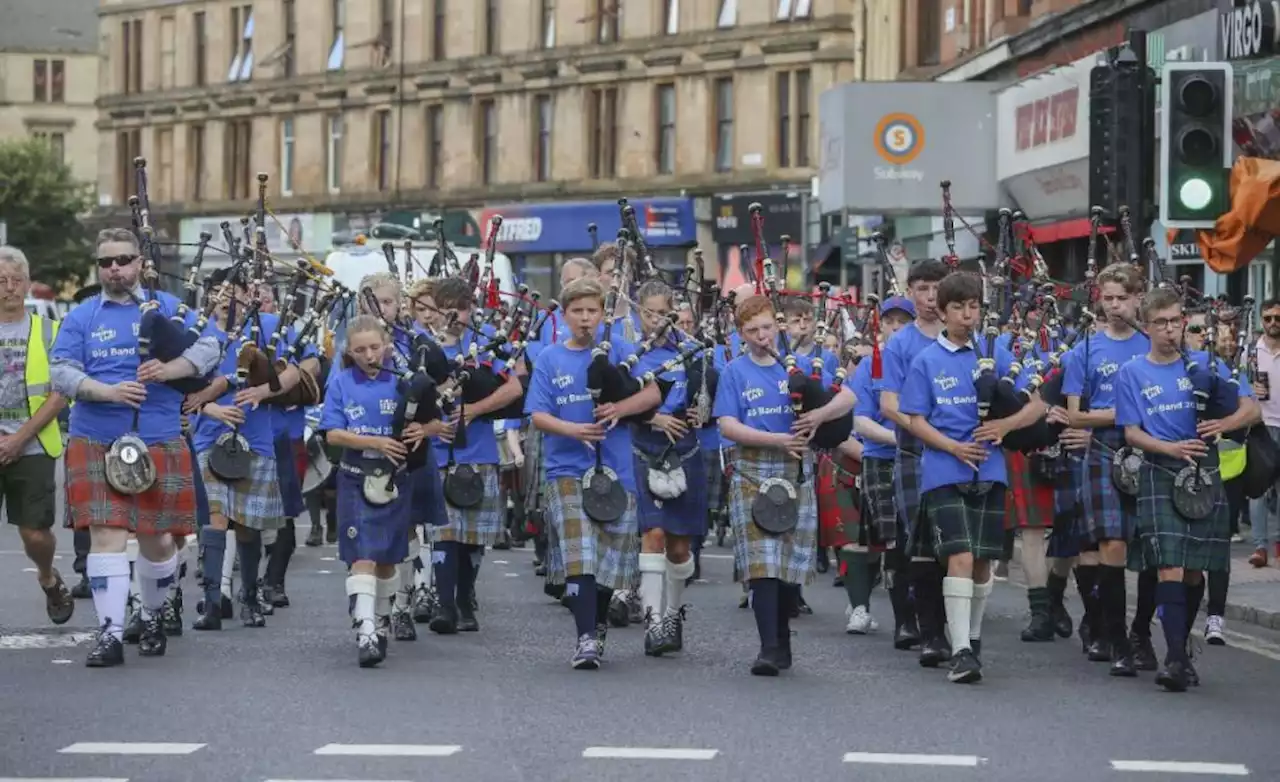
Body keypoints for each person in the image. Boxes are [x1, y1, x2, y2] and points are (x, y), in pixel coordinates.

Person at [51, 228, 221, 666]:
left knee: (158, 540)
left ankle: (151, 613)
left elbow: (211, 346)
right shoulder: (83, 315)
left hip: (159, 435)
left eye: (123, 260)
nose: (114, 269)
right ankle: (108, 634)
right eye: (106, 262)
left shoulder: (167, 308)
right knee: (106, 533)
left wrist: (170, 370)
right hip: (96, 437)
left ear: (140, 265)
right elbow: (62, 371)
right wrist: (106, 392)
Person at [899, 272, 1045, 684]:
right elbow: (915, 420)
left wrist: (1006, 426)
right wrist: (952, 447)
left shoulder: (995, 352)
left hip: (992, 470)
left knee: (983, 564)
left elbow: (1037, 403)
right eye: (959, 307)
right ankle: (960, 650)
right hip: (945, 471)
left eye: (974, 306)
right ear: (942, 312)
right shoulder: (926, 360)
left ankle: (973, 639)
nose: (968, 314)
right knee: (959, 556)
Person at [1113, 287, 1258, 691]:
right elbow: (1130, 433)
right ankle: (1175, 657)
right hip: (1160, 468)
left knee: (1195, 571)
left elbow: (1251, 408)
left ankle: (1179, 646)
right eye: (1160, 323)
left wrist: (1222, 426)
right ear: (1147, 326)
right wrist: (1170, 448)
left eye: (1176, 321)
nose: (1170, 330)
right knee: (1170, 566)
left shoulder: (1207, 365)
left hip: (1205, 471)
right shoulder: (1132, 373)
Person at [713, 294, 854, 676]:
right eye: (752, 331)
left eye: (767, 328)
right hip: (752, 469)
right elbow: (727, 425)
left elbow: (849, 397)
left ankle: (782, 638)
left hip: (795, 470)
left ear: (777, 326)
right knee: (761, 566)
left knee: (787, 564)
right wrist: (778, 440)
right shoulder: (734, 372)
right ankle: (769, 647)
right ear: (741, 335)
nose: (762, 336)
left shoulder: (803, 365)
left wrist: (818, 417)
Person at [525, 277, 660, 669]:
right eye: (577, 312)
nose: (585, 319)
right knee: (580, 557)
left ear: (603, 315)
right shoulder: (550, 358)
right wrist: (573, 429)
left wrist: (621, 409)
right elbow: (537, 413)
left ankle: (596, 626)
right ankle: (585, 637)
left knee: (606, 561)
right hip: (566, 470)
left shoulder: (620, 349)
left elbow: (653, 394)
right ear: (565, 316)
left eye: (592, 311)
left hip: (616, 470)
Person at [186, 268, 302, 631]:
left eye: (231, 291)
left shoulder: (267, 326)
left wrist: (266, 391)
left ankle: (250, 596)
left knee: (248, 525)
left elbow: (300, 368)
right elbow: (182, 389)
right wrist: (212, 408)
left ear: (246, 294)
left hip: (257, 439)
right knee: (217, 516)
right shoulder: (196, 332)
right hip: (209, 437)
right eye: (217, 292)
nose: (224, 299)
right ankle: (213, 598)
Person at [1056, 263, 1155, 675]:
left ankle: (1141, 633)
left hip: (1151, 448)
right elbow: (1075, 417)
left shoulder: (1154, 344)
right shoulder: (1084, 351)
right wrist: (1126, 414)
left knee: (1150, 550)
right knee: (1111, 543)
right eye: (1108, 299)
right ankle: (1116, 639)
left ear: (1138, 299)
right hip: (1102, 449)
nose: (1115, 306)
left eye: (1122, 298)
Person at [320, 315, 420, 667]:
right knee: (362, 554)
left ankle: (379, 619)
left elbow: (436, 419)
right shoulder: (342, 383)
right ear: (350, 351)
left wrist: (422, 432)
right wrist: (375, 441)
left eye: (375, 347)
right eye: (360, 350)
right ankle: (365, 630)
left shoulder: (405, 381)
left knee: (388, 561)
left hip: (395, 479)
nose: (369, 355)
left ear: (386, 345)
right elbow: (332, 433)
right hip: (354, 475)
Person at [427, 276, 523, 635]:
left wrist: (476, 409)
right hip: (437, 452)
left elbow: (513, 387)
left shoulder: (486, 344)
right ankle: (445, 604)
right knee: (445, 532)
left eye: (460, 309)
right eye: (446, 309)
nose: (453, 316)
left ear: (470, 310)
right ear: (435, 310)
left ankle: (466, 597)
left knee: (472, 537)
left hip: (479, 451)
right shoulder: (424, 347)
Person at [878, 259, 952, 667]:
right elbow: (889, 405)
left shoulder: (965, 336)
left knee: (955, 544)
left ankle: (959, 630)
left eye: (935, 288)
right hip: (915, 453)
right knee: (920, 543)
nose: (928, 297)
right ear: (911, 292)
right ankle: (930, 633)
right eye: (921, 289)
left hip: (958, 453)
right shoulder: (901, 343)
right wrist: (930, 430)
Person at [629, 280, 705, 656]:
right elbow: (619, 400)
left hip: (686, 451)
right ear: (638, 312)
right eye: (649, 313)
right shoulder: (628, 354)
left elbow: (710, 401)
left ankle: (673, 613)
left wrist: (700, 411)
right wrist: (653, 418)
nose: (656, 320)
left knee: (678, 547)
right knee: (653, 534)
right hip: (644, 447)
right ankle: (653, 622)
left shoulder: (694, 352)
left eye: (663, 312)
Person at [0, 246, 74, 625]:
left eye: (16, 280)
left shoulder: (51, 331)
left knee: (35, 534)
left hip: (33, 446)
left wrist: (19, 439)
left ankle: (47, 576)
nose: (9, 288)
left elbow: (60, 393)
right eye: (1, 281)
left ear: (28, 284)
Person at [849, 295, 916, 641]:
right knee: (892, 542)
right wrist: (903, 437)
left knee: (920, 541)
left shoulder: (922, 360)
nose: (895, 327)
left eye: (902, 321)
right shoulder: (868, 366)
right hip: (882, 458)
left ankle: (925, 614)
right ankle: (903, 620)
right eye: (889, 321)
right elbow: (860, 422)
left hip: (923, 458)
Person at [1246, 298, 1280, 568]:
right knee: (1258, 489)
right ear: (1261, 320)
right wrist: (1249, 390)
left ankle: (1279, 542)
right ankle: (1260, 546)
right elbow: (1236, 386)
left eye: (1277, 318)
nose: (1273, 323)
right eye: (1268, 318)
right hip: (1260, 425)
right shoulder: (1251, 352)